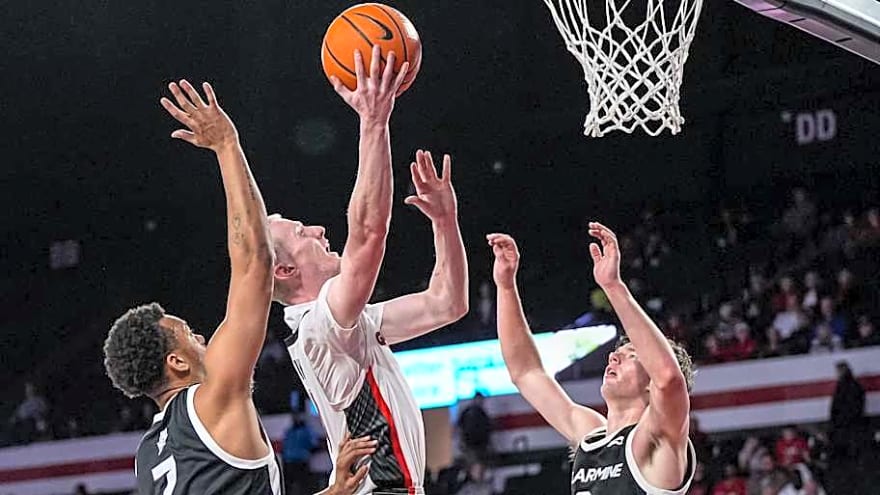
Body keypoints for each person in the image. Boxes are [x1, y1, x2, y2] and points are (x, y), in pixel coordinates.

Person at [102, 80, 364, 495]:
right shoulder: (210, 401)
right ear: (178, 363)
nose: (202, 335)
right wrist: (226, 145)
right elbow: (255, 264)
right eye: (188, 334)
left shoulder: (149, 457)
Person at [271, 47, 468, 495]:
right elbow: (368, 232)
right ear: (284, 269)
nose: (320, 229)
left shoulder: (344, 325)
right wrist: (373, 123)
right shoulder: (322, 326)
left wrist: (445, 223)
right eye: (303, 232)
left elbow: (448, 303)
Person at [488, 222, 696, 495]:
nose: (614, 356)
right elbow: (525, 372)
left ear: (650, 384)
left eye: (631, 355)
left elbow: (668, 378)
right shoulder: (590, 435)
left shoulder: (657, 438)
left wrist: (613, 287)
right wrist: (505, 287)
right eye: (617, 352)